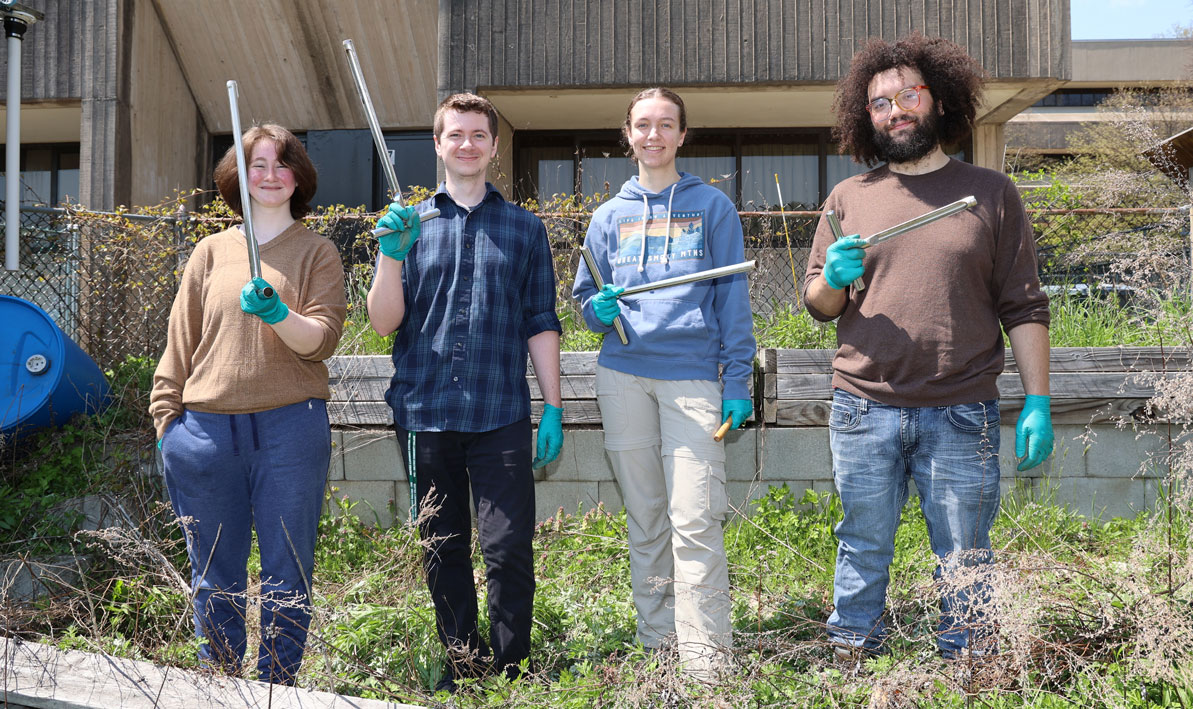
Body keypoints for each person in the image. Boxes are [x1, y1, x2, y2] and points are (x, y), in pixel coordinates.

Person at [803, 34, 1054, 661]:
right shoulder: (847, 199)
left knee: (965, 549)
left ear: (939, 101)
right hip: (863, 405)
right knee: (861, 539)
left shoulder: (991, 193)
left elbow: (1023, 305)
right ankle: (851, 653)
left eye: (907, 95)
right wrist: (831, 280)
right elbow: (817, 305)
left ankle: (967, 662)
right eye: (879, 103)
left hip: (961, 407)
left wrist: (1039, 400)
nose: (894, 110)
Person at [366, 92, 563, 693]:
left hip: (500, 412)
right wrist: (387, 257)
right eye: (456, 134)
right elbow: (381, 321)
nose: (468, 144)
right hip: (425, 413)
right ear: (438, 143)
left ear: (494, 146)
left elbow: (540, 319)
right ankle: (464, 669)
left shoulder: (525, 228)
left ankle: (512, 671)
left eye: (479, 135)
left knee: (508, 549)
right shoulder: (407, 224)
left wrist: (554, 405)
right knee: (442, 549)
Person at [150, 124, 346, 685]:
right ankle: (221, 688)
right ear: (238, 176)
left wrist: (278, 312)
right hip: (205, 434)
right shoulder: (210, 252)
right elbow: (180, 341)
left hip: (290, 429)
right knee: (216, 576)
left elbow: (321, 341)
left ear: (298, 177)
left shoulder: (317, 252)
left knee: (287, 574)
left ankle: (276, 690)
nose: (268, 175)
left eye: (281, 164)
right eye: (256, 164)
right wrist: (168, 423)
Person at [572, 87, 755, 679]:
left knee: (695, 519)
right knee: (646, 518)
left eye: (665, 125)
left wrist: (738, 381)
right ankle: (658, 648)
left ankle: (706, 663)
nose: (653, 135)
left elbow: (733, 301)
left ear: (682, 135)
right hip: (622, 377)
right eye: (642, 125)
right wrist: (594, 313)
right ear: (627, 135)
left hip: (694, 382)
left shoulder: (711, 207)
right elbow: (584, 297)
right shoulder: (607, 216)